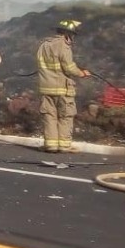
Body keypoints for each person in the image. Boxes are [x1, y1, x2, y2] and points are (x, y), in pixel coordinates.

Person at [36, 19, 91, 153]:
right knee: (65, 116)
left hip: (46, 88)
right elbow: (69, 68)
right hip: (62, 88)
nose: (72, 38)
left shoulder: (43, 45)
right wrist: (82, 73)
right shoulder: (63, 45)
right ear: (67, 34)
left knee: (49, 116)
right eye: (72, 35)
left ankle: (51, 145)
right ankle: (64, 145)